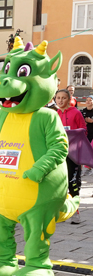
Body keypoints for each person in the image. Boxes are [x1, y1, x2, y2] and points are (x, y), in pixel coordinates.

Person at [55, 88, 85, 224]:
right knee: (59, 182)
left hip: (73, 153)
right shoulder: (54, 114)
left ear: (69, 99)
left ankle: (75, 211)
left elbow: (83, 130)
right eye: (58, 98)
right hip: (58, 153)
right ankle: (61, 211)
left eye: (63, 98)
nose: (60, 101)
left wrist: (72, 133)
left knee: (73, 182)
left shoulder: (76, 113)